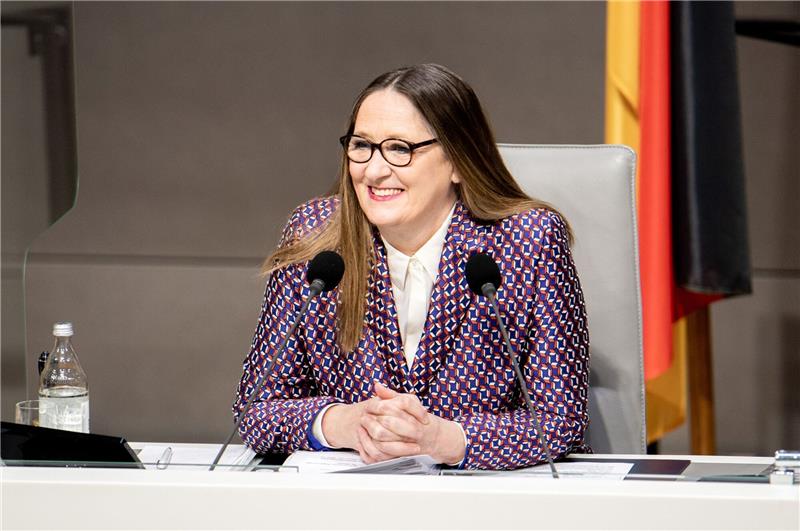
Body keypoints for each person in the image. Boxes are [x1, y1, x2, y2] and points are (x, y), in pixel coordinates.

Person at [234, 64, 589, 470]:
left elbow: (561, 420)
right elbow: (256, 408)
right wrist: (344, 423)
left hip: (481, 496)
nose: (373, 170)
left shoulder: (528, 241)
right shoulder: (315, 236)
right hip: (348, 496)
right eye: (362, 146)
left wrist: (444, 440)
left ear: (458, 161)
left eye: (400, 149)